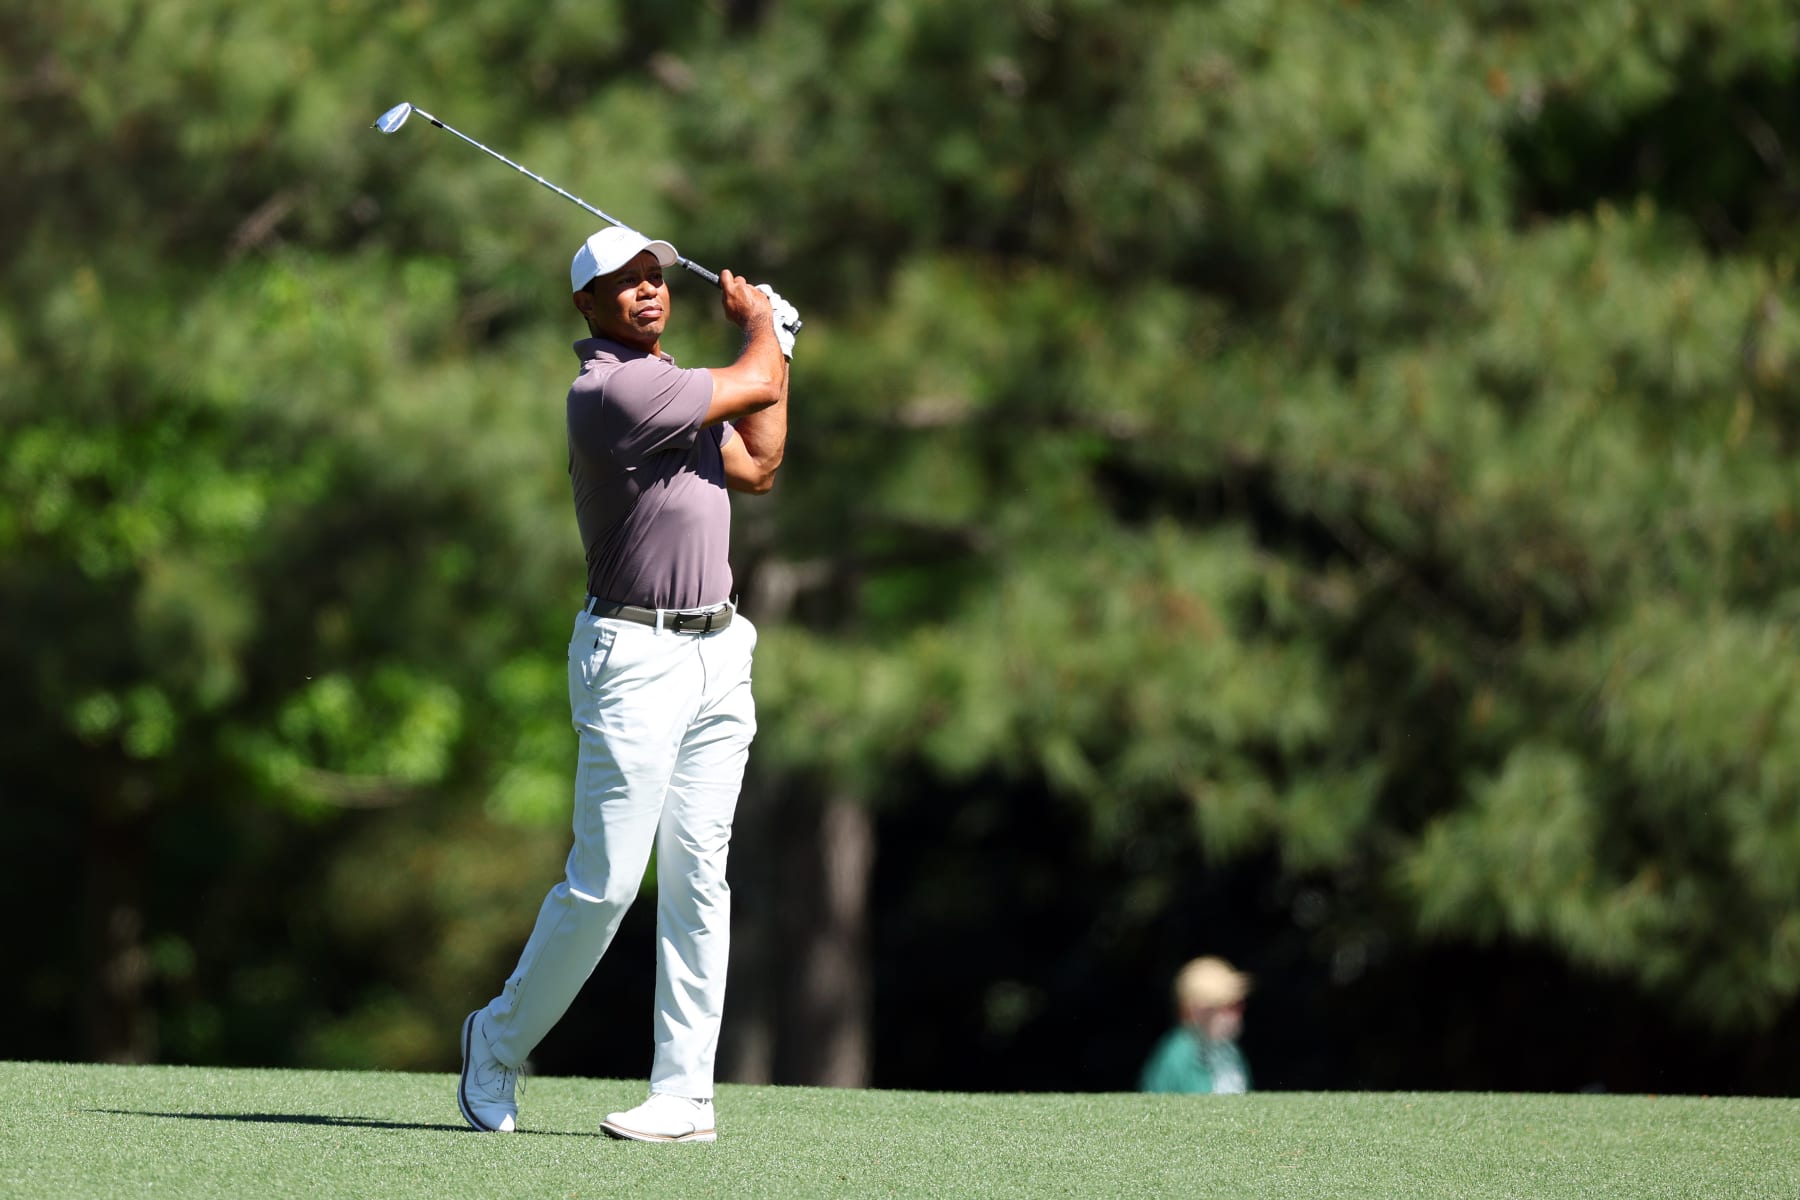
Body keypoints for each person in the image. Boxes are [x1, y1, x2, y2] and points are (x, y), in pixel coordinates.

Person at [456, 225, 799, 1143]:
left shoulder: (676, 392)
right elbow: (757, 382)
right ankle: (494, 1042)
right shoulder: (612, 390)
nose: (647, 292)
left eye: (654, 278)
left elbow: (759, 463)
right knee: (605, 883)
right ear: (587, 307)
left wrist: (775, 346)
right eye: (623, 283)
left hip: (719, 651)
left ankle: (685, 1096)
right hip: (634, 660)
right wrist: (768, 330)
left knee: (700, 876)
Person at [1139, 956, 1252, 1095]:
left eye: (1237, 1004)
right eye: (1225, 1006)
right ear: (1194, 1011)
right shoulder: (1176, 1057)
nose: (1235, 1014)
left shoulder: (1229, 1050)